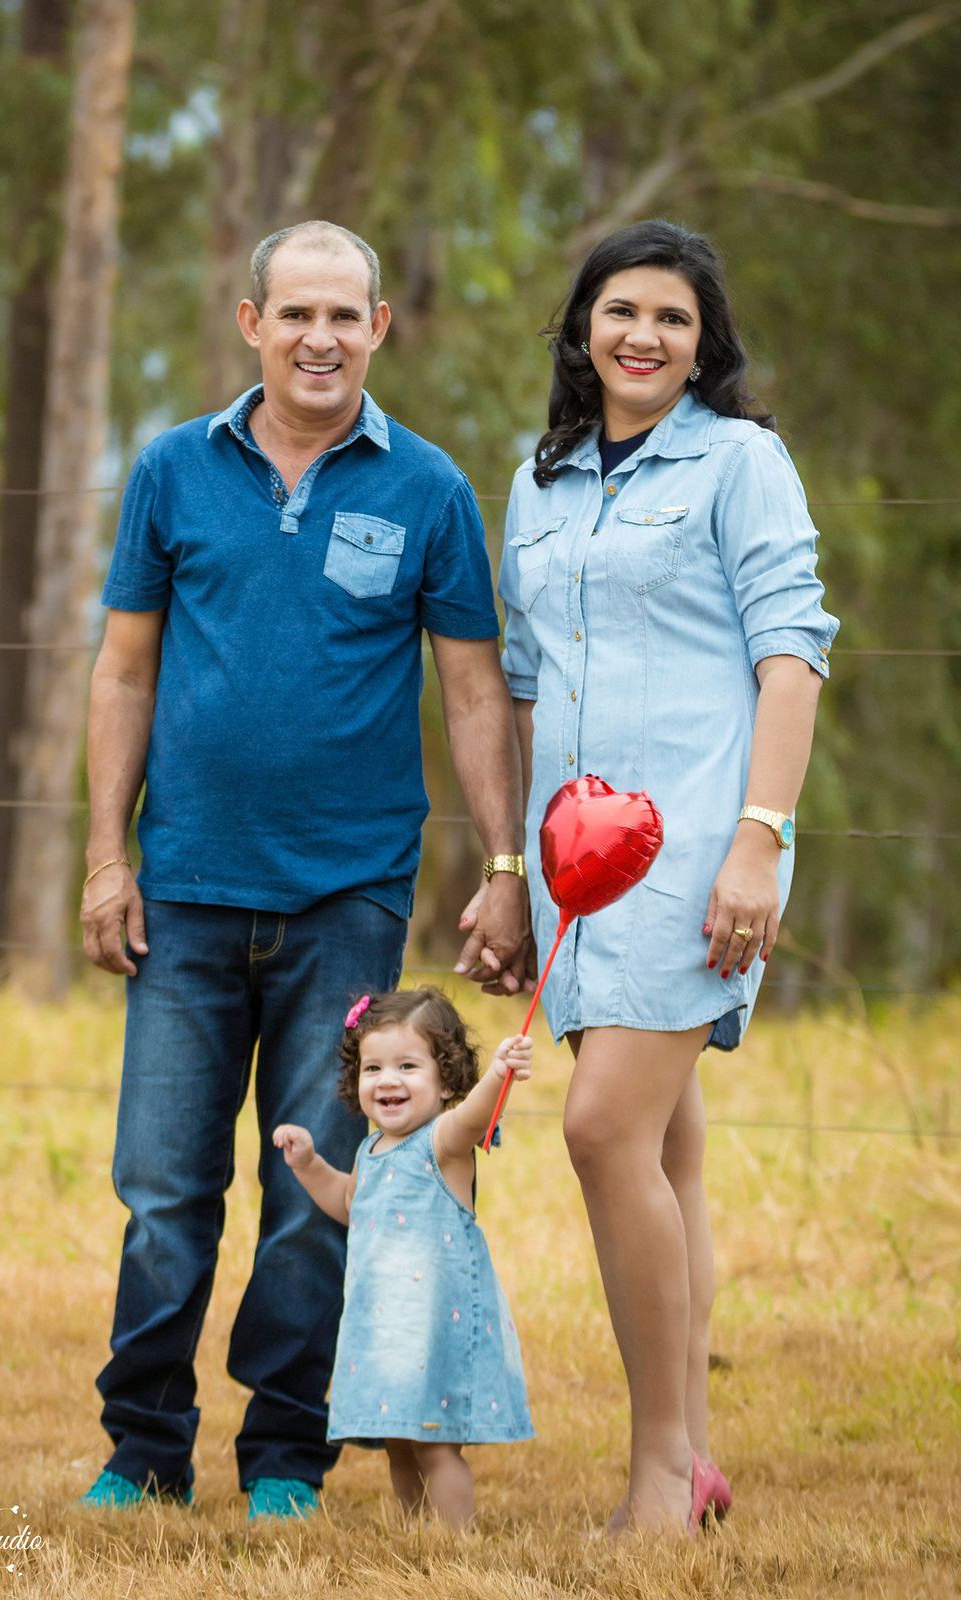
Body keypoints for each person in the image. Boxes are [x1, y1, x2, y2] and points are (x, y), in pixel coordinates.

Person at [76, 220, 533, 1520]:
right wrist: (107, 857)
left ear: (379, 328)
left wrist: (504, 863)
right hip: (185, 896)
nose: (321, 337)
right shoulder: (171, 472)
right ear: (250, 322)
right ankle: (142, 1447)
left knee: (315, 1193)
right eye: (297, 314)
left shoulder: (430, 490)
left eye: (346, 315)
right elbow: (123, 668)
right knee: (165, 1187)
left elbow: (471, 690)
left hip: (349, 899)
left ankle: (285, 1455)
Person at [492, 220, 839, 1537]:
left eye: (675, 319)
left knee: (597, 1130)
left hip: (700, 847)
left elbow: (791, 655)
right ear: (583, 328)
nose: (644, 333)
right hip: (576, 858)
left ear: (706, 347)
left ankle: (653, 1475)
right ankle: (690, 1457)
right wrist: (515, 875)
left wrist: (761, 837)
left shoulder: (743, 463)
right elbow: (529, 685)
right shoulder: (544, 480)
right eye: (621, 310)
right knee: (668, 1150)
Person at [273, 987, 535, 1528]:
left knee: (436, 1445)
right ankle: (417, 1533)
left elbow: (474, 1116)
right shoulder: (369, 1151)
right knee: (397, 1442)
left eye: (408, 1066)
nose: (387, 1080)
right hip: (384, 1331)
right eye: (373, 1067)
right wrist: (309, 1165)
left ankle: (451, 1543)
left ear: (445, 1080)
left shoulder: (443, 1141)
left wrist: (498, 1075)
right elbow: (350, 1203)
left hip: (434, 1327)